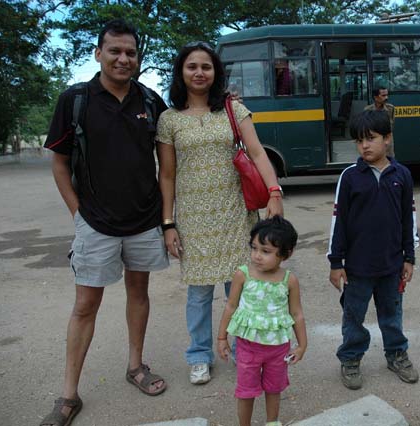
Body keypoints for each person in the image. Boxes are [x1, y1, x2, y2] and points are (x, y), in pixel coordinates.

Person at [40, 19, 169, 426]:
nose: (123, 58)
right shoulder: (75, 100)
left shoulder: (151, 101)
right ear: (98, 54)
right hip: (94, 221)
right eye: (114, 51)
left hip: (144, 220)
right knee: (85, 305)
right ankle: (69, 394)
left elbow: (171, 156)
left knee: (139, 292)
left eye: (130, 52)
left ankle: (135, 366)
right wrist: (77, 213)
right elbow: (60, 163)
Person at [156, 42, 284, 385]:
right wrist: (168, 224)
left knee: (239, 287)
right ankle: (199, 354)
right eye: (192, 66)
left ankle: (244, 349)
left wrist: (274, 190)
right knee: (198, 293)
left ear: (216, 73)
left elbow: (257, 154)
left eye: (206, 67)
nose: (199, 72)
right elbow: (166, 174)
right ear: (181, 72)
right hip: (193, 220)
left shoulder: (233, 109)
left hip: (234, 214)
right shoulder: (169, 120)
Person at [327, 109, 418, 390]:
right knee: (354, 315)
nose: (364, 145)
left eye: (371, 138)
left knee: (391, 315)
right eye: (359, 140)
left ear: (387, 139)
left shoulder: (401, 175)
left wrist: (409, 257)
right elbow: (338, 221)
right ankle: (351, 359)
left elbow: (408, 219)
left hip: (392, 265)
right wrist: (335, 262)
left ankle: (396, 355)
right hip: (357, 268)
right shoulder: (350, 177)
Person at [217, 216, 307, 426]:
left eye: (265, 251)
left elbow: (297, 314)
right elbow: (230, 306)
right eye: (254, 248)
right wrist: (222, 337)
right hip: (247, 347)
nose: (257, 256)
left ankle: (272, 422)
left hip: (278, 348)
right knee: (246, 391)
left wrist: (302, 345)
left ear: (286, 253)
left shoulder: (289, 280)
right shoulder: (243, 274)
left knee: (273, 388)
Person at [364, 87, 396, 156]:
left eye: (387, 95)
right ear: (376, 97)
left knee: (389, 160)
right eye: (383, 95)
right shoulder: (368, 110)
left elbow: (391, 125)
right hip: (374, 141)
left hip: (387, 141)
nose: (386, 97)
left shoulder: (390, 108)